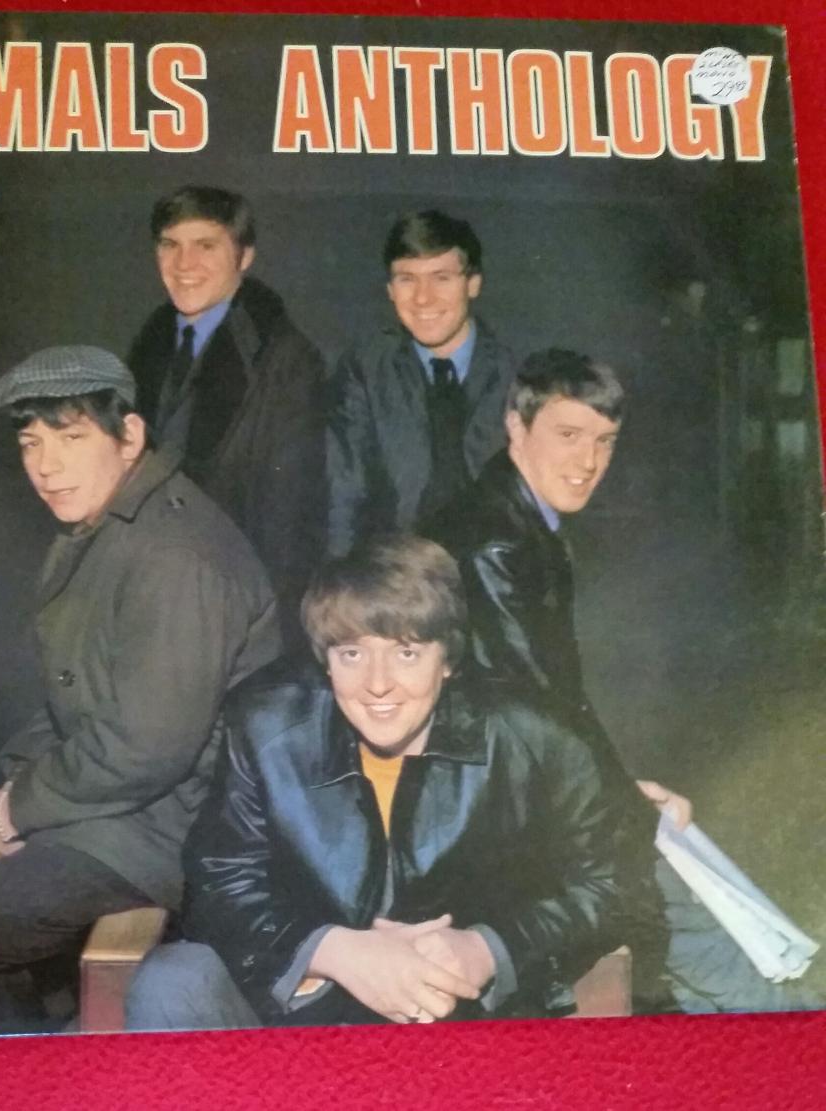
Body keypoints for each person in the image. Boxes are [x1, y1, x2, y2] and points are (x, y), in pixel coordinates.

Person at [0, 345, 281, 1035]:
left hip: (170, 829)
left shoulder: (176, 555)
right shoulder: (101, 525)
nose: (46, 466)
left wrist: (16, 814)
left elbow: (147, 748)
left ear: (129, 436)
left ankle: (35, 1074)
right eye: (31, 443)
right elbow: (70, 696)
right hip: (116, 804)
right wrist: (12, 794)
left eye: (71, 438)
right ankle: (44, 1028)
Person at [125, 535, 631, 1030]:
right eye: (352, 654)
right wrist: (331, 951)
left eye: (406, 653)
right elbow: (219, 879)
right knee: (173, 980)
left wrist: (489, 948)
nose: (377, 684)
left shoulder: (536, 736)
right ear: (326, 660)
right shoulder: (267, 724)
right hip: (305, 1008)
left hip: (458, 1017)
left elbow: (614, 883)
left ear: (448, 660)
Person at [452, 347, 820, 1013]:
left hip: (528, 796)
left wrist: (623, 786)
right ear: (515, 425)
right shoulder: (496, 543)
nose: (588, 461)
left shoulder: (515, 516)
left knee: (721, 939)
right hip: (514, 819)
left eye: (605, 441)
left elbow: (552, 703)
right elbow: (534, 714)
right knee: (732, 956)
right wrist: (622, 802)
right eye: (568, 434)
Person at [127, 184, 326, 649]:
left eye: (206, 245)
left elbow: (289, 518)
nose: (184, 264)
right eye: (170, 245)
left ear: (245, 256)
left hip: (229, 603)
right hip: (147, 587)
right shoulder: (149, 341)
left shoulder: (287, 360)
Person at [327, 210, 515, 557]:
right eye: (407, 279)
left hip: (498, 571)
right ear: (389, 289)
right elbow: (343, 493)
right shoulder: (365, 368)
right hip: (397, 572)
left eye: (441, 278)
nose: (423, 298)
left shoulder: (517, 371)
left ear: (473, 283)